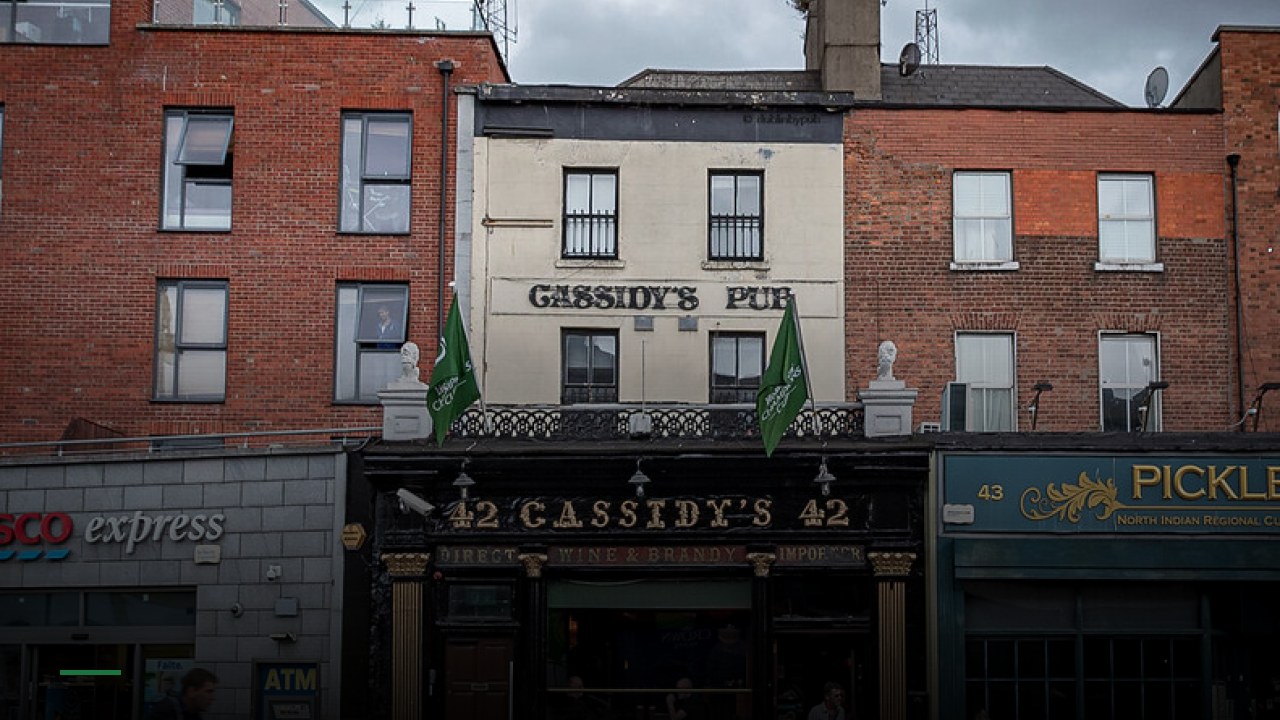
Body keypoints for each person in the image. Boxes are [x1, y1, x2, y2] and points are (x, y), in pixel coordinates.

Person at [147, 667, 217, 720]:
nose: (212, 698)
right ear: (191, 691)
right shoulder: (165, 712)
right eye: (208, 692)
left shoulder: (193, 712)